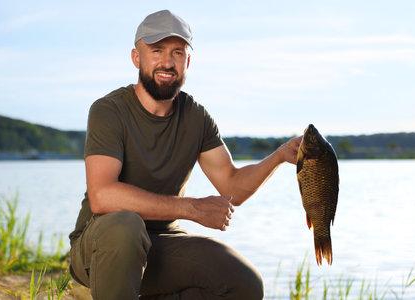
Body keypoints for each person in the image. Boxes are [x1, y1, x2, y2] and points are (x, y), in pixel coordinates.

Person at [69, 9, 302, 300]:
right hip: (102, 245)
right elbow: (102, 196)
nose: (167, 62)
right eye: (157, 51)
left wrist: (279, 156)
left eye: (177, 52)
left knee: (244, 284)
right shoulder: (109, 110)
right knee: (126, 225)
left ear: (187, 61)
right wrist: (191, 208)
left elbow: (232, 186)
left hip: (163, 245)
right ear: (136, 57)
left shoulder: (196, 117)